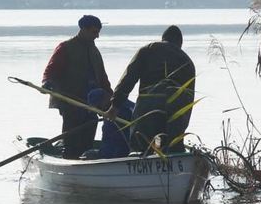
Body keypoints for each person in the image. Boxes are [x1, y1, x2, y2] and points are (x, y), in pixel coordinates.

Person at [106, 25, 195, 154]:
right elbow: (189, 99)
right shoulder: (187, 61)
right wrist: (181, 126)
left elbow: (128, 79)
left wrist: (115, 105)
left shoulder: (148, 50)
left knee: (140, 144)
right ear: (180, 43)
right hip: (177, 110)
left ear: (163, 38)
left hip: (149, 105)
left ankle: (139, 165)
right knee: (173, 149)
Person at [42, 15, 111, 159]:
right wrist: (47, 82)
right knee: (72, 138)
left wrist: (111, 97)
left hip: (92, 104)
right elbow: (51, 70)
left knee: (88, 138)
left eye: (98, 32)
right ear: (83, 29)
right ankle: (70, 159)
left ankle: (84, 162)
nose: (97, 36)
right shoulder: (66, 47)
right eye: (94, 32)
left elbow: (102, 77)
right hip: (71, 102)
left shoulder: (94, 51)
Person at [86, 88, 134, 159]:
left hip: (120, 154)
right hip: (132, 149)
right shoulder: (130, 105)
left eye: (98, 107)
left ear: (105, 98)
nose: (98, 113)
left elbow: (112, 145)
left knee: (89, 154)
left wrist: (99, 154)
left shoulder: (112, 116)